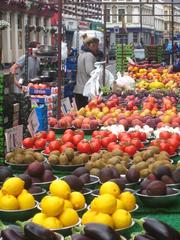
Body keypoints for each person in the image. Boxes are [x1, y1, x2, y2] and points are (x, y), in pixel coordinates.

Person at [74, 37, 99, 109]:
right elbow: (90, 71)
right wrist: (99, 70)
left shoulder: (81, 54)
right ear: (90, 45)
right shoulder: (89, 55)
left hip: (79, 89)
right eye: (95, 45)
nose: (97, 48)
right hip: (85, 91)